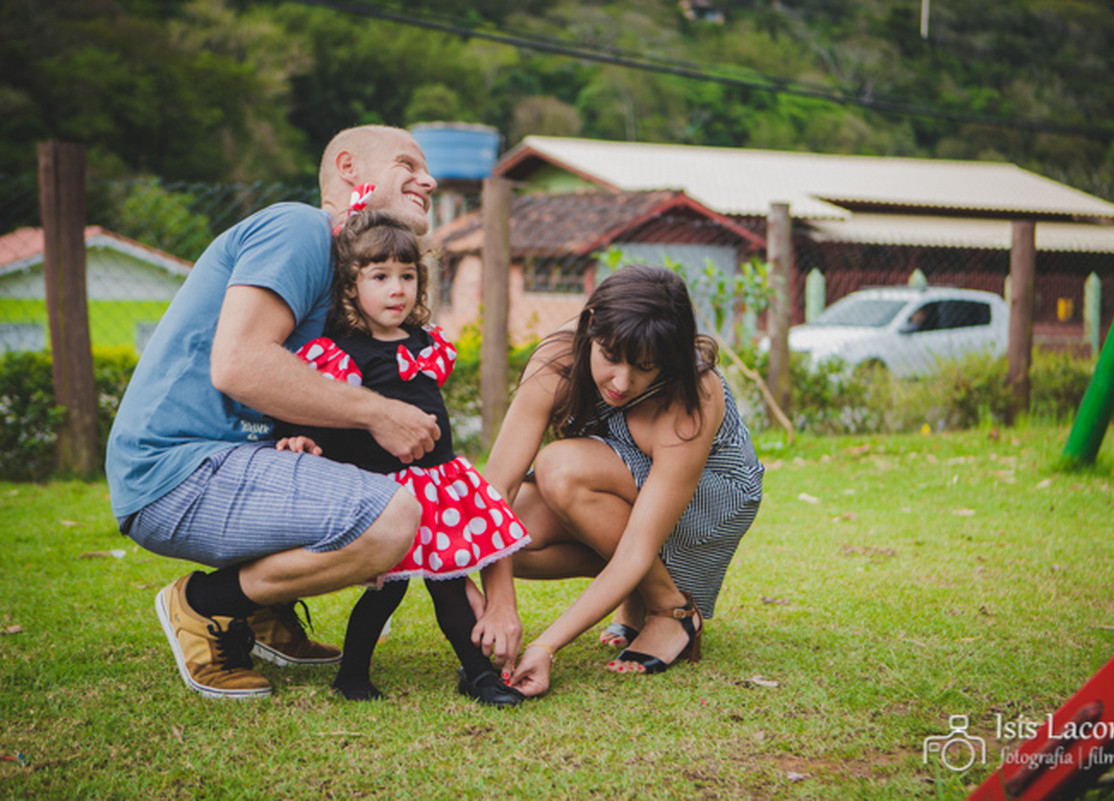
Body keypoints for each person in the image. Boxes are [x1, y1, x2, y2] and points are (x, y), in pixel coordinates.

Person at [105, 125, 520, 699]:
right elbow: (239, 365)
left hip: (237, 460)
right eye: (407, 164)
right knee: (393, 517)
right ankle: (203, 605)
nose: (428, 179)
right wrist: (379, 413)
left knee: (397, 498)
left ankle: (262, 609)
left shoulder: (346, 281)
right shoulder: (300, 228)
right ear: (349, 167)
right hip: (178, 470)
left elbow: (305, 389)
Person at [275, 209, 529, 706]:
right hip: (387, 493)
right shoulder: (340, 352)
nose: (397, 289)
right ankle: (352, 673)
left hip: (441, 487)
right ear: (351, 287)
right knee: (384, 591)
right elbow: (316, 403)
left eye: (407, 276)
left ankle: (477, 674)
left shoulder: (427, 343)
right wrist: (300, 435)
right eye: (380, 277)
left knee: (450, 586)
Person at [480, 264, 765, 697]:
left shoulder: (695, 394)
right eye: (610, 358)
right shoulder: (557, 358)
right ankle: (639, 593)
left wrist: (546, 645)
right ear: (591, 326)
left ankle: (672, 612)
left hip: (712, 491)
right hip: (621, 474)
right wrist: (501, 604)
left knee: (561, 469)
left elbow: (634, 549)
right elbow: (495, 492)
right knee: (514, 537)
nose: (621, 382)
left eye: (645, 368)